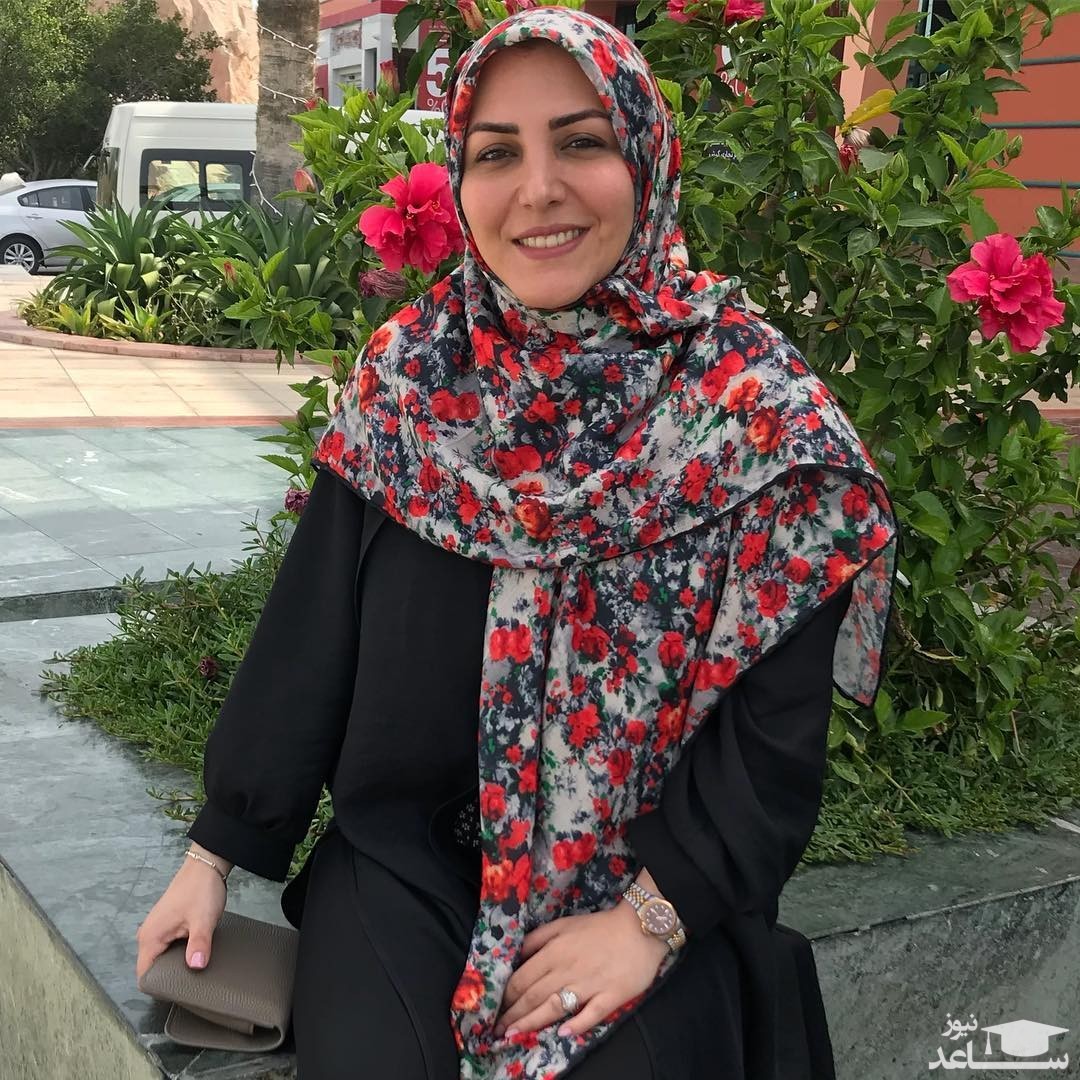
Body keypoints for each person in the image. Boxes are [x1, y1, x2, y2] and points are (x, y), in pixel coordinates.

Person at [135, 8, 899, 1080]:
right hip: (405, 870)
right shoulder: (414, 378)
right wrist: (217, 852)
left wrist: (651, 920)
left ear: (646, 161)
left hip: (640, 889)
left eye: (581, 142)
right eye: (497, 153)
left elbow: (774, 737)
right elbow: (312, 630)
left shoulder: (758, 418)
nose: (538, 189)